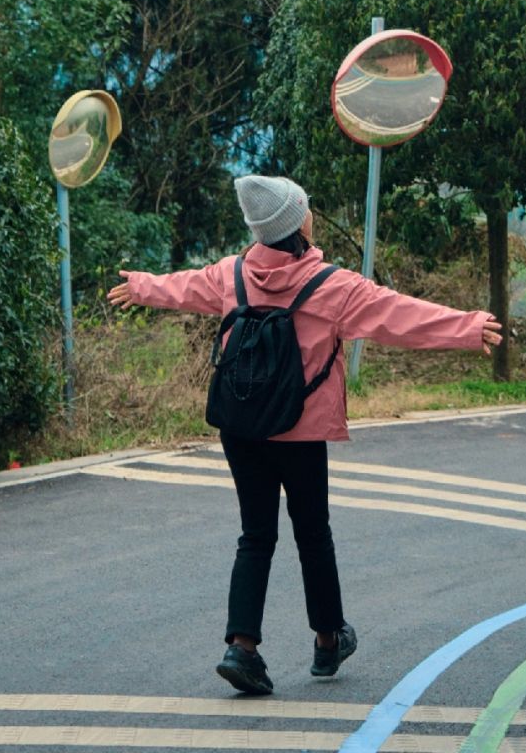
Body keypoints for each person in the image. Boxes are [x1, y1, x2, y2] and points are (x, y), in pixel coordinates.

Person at [107, 173, 502, 696]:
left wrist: (139, 286)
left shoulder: (232, 276)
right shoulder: (334, 287)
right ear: (299, 223)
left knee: (256, 536)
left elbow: (180, 287)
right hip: (299, 431)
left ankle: (241, 648)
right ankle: (326, 640)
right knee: (313, 534)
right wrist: (467, 328)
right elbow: (399, 315)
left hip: (241, 428)